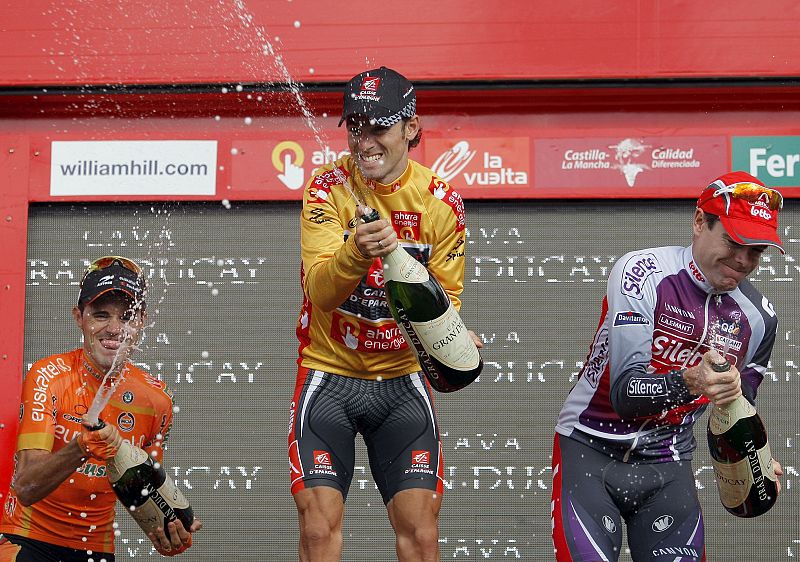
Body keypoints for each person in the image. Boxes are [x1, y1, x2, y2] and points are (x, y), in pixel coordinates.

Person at [288, 66, 481, 562]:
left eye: (379, 127)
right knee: (316, 530)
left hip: (400, 381)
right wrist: (355, 252)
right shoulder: (326, 188)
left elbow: (446, 298)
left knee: (420, 533)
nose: (364, 141)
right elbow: (321, 291)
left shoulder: (442, 203)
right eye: (355, 126)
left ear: (410, 128)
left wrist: (451, 331)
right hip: (330, 375)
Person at [551, 171, 786, 561]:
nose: (744, 260)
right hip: (590, 449)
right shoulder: (642, 272)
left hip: (669, 465)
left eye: (757, 250)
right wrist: (691, 380)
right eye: (734, 241)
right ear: (699, 222)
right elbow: (626, 394)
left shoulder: (760, 319)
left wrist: (757, 455)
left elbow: (737, 409)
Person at [0, 256, 201, 561]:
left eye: (127, 318)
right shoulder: (48, 376)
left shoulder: (158, 400)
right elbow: (26, 487)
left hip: (96, 549)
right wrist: (82, 446)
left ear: (142, 321)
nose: (114, 328)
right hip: (27, 540)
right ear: (79, 316)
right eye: (101, 315)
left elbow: (139, 487)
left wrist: (168, 529)